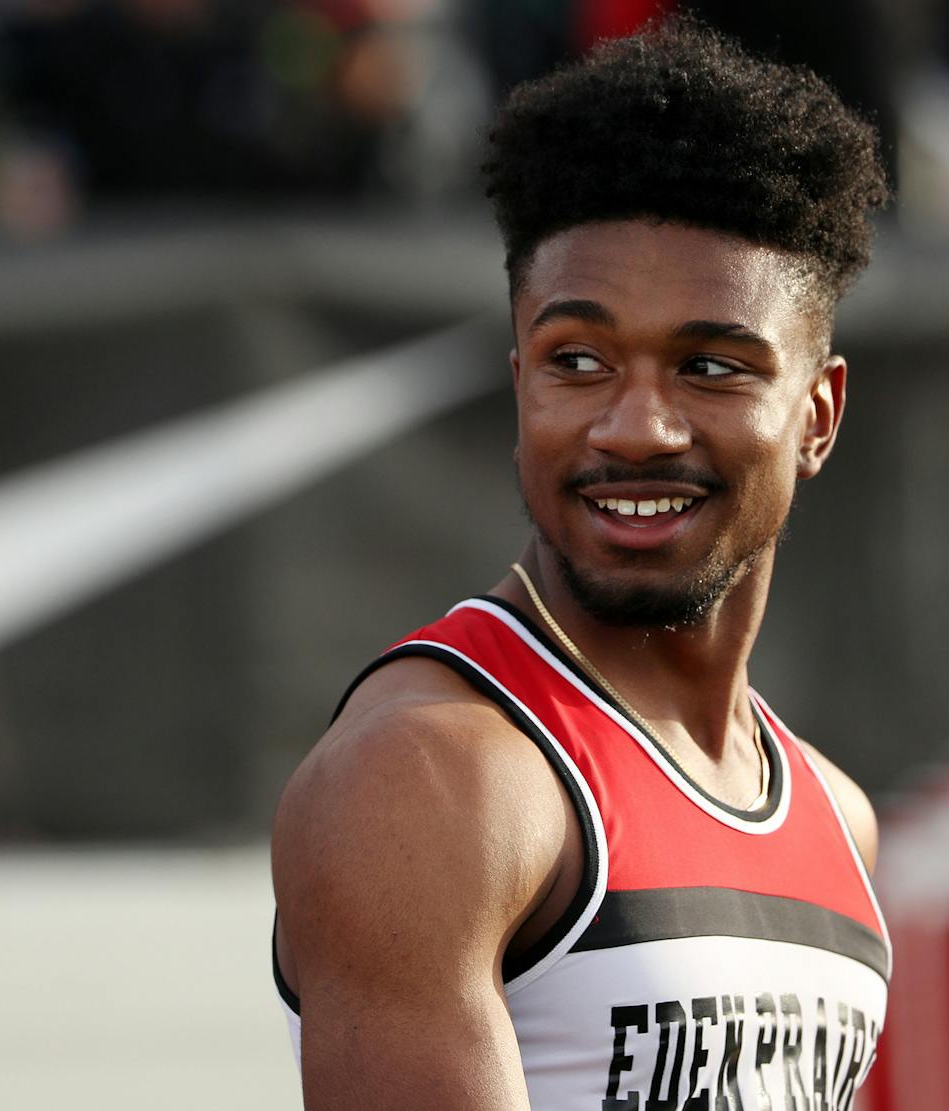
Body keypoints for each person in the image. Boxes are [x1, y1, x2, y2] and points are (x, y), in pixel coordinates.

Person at [271, 16, 891, 1111]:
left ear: (816, 414)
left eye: (708, 365)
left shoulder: (835, 820)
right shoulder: (430, 776)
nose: (635, 425)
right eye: (578, 361)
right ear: (520, 386)